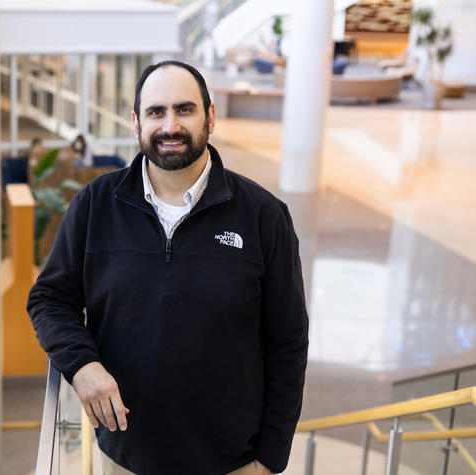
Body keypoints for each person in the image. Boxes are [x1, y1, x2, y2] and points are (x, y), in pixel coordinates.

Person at [26, 60, 308, 475]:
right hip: (125, 459)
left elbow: (288, 341)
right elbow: (49, 299)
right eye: (156, 112)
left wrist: (269, 460)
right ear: (136, 123)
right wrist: (82, 364)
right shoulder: (95, 205)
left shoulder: (264, 216)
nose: (170, 125)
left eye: (185, 109)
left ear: (210, 117)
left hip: (231, 464)